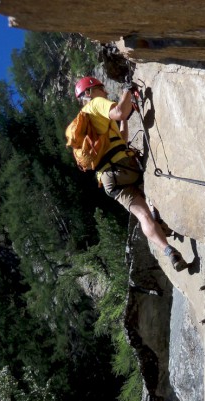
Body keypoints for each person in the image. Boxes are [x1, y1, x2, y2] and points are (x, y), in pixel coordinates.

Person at [74, 76, 186, 271]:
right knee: (153, 194)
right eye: (101, 89)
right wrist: (127, 89)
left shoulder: (88, 122)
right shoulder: (95, 104)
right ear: (90, 92)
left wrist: (125, 118)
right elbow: (118, 111)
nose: (106, 93)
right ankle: (163, 220)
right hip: (125, 166)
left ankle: (169, 251)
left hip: (109, 180)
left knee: (143, 216)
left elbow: (121, 140)